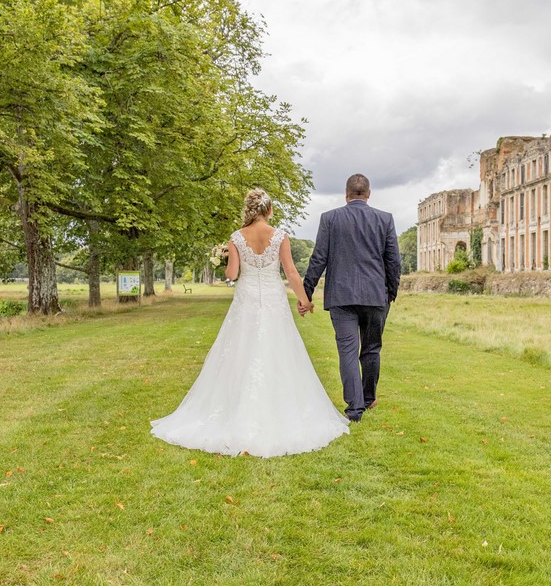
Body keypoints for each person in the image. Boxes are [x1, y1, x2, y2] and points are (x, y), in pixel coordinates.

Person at [149, 189, 349, 457]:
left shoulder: (236, 237)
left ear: (250, 209)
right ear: (269, 210)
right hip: (272, 300)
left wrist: (223, 258)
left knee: (239, 352)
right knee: (279, 351)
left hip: (246, 301)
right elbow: (290, 272)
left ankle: (233, 409)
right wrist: (305, 301)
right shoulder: (279, 236)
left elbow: (232, 274)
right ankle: (280, 410)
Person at [301, 174, 401, 422]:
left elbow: (318, 258)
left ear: (346, 194)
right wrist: (391, 292)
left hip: (341, 296)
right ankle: (368, 399)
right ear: (368, 194)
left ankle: (354, 410)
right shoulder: (384, 219)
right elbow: (394, 261)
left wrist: (307, 292)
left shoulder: (330, 219)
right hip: (375, 296)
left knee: (347, 351)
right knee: (371, 349)